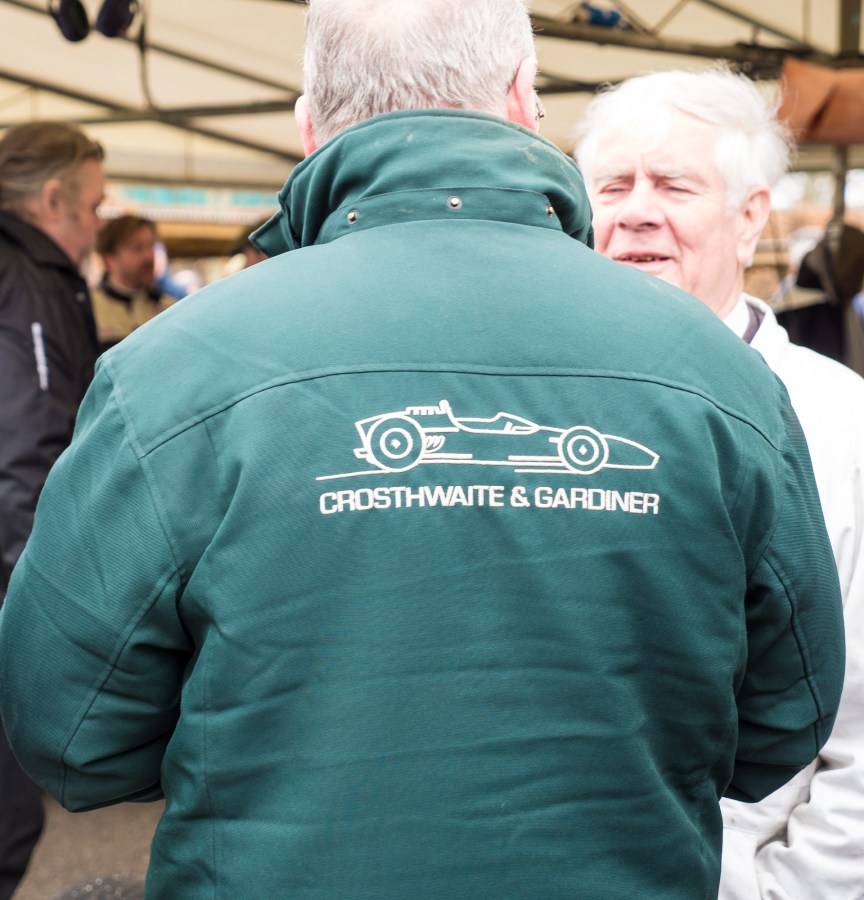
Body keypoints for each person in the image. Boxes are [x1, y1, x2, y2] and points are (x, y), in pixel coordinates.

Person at [0, 5, 845, 897]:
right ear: (523, 97)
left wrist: (253, 732)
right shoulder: (723, 373)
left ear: (308, 125)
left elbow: (68, 730)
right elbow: (785, 723)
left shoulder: (168, 371)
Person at [575, 67, 864, 899]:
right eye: (614, 186)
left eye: (674, 185)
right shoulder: (543, 407)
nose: (637, 210)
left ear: (749, 218)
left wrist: (780, 891)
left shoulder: (838, 419)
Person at [0, 121, 104, 900]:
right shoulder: (29, 281)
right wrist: (39, 610)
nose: (99, 225)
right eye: (94, 207)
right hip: (8, 570)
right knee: (7, 822)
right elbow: (28, 449)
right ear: (53, 198)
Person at [91, 214, 174, 353]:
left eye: (151, 246)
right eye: (137, 248)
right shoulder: (89, 309)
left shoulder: (170, 308)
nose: (148, 256)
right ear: (109, 259)